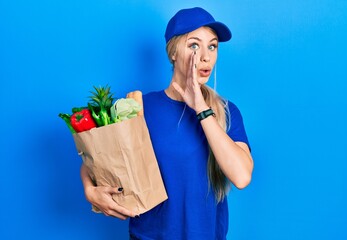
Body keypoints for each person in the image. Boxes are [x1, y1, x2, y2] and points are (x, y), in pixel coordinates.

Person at [80, 7, 253, 239]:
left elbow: (242, 176)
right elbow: (101, 158)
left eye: (212, 46)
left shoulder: (226, 112)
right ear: (173, 53)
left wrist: (201, 108)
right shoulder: (140, 107)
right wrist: (89, 190)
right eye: (194, 45)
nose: (205, 56)